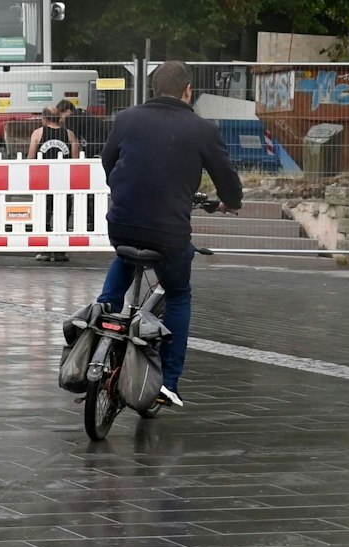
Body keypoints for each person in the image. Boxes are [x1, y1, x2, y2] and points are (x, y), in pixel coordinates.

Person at [96, 59, 242, 408]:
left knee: (126, 253)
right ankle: (169, 382)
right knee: (179, 293)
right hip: (168, 232)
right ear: (187, 90)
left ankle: (101, 319)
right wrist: (228, 202)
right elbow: (228, 184)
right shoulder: (202, 129)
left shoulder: (126, 119)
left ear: (153, 89)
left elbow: (107, 161)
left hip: (122, 223)